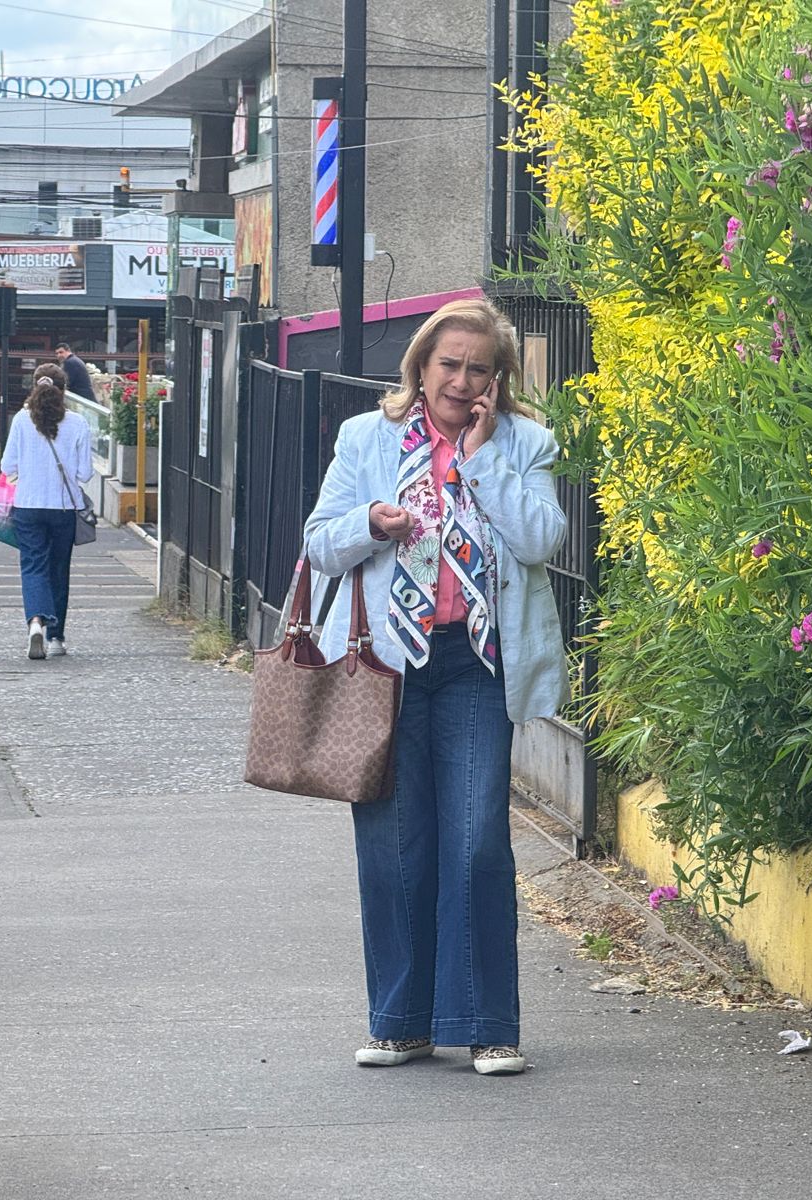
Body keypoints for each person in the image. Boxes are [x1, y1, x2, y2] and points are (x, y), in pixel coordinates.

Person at [304, 298, 567, 1077]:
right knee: (392, 845)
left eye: (477, 367)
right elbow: (319, 542)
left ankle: (489, 1024)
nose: (459, 379)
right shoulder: (366, 439)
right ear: (420, 365)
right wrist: (370, 526)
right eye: (447, 363)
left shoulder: (525, 441)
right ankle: (400, 1022)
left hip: (475, 666)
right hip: (386, 665)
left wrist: (482, 458)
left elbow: (542, 540)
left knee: (478, 836)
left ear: (498, 379)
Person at [1, 363, 93, 660]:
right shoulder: (78, 423)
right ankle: (56, 638)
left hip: (27, 505)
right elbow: (85, 473)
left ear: (34, 386)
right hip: (64, 508)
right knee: (58, 569)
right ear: (64, 389)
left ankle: (36, 623)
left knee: (33, 566)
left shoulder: (20, 420)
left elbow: (7, 467)